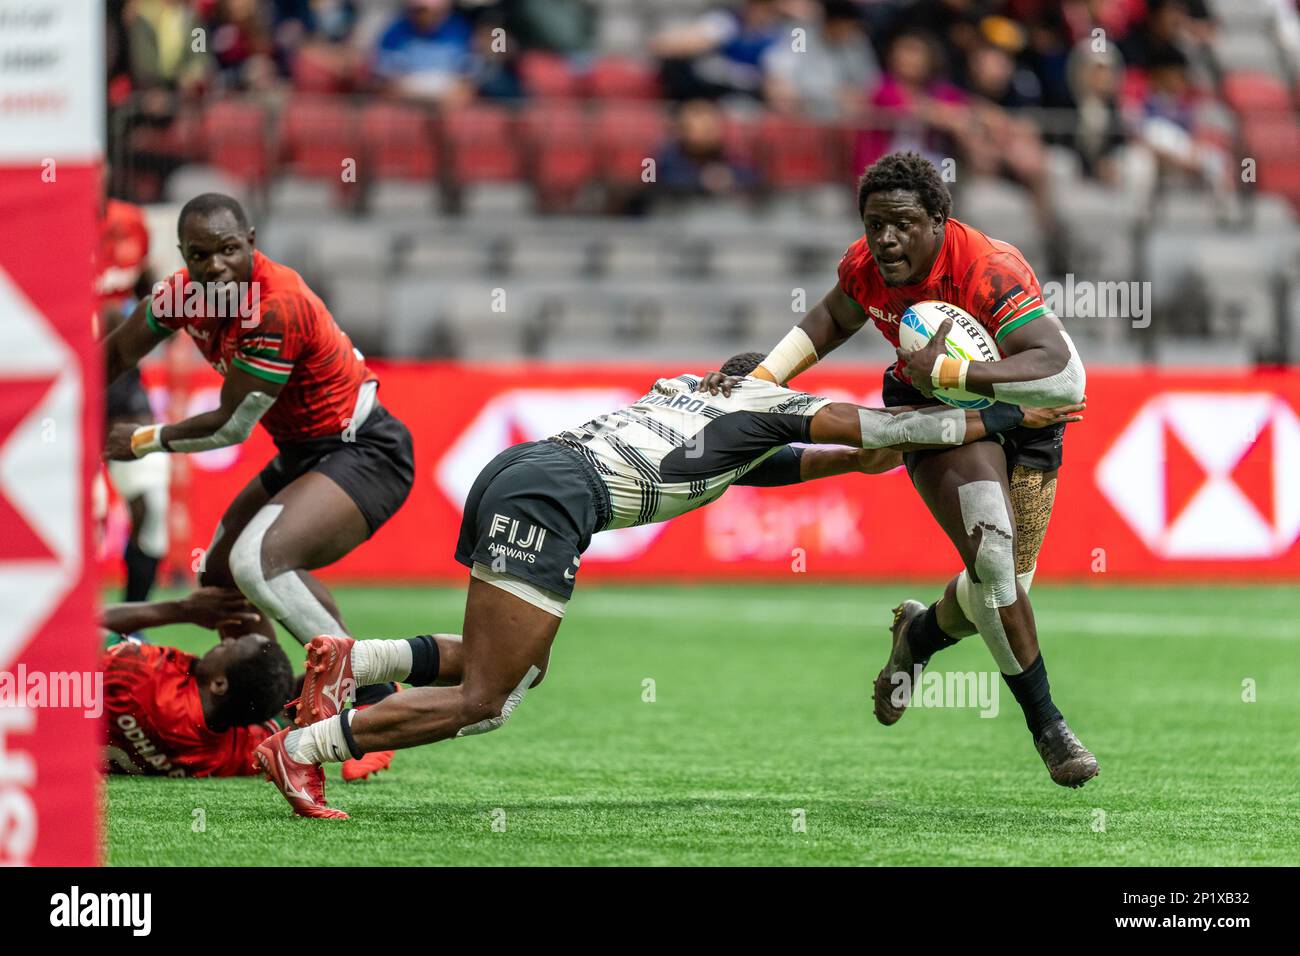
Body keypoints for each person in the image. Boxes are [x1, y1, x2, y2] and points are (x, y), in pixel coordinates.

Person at [252, 354, 1082, 818]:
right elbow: (878, 430)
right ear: (770, 386)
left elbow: (838, 457)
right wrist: (1008, 415)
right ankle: (302, 751)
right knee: (488, 700)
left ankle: (347, 660)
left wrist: (883, 451)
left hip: (523, 470)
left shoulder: (698, 399)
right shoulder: (767, 407)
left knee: (508, 664)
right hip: (555, 496)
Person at [700, 151, 1097, 788]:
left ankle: (918, 636)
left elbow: (1064, 374)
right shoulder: (868, 266)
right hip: (932, 411)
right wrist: (763, 380)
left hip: (1028, 418)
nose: (885, 239)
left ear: (940, 220)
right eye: (873, 224)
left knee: (999, 591)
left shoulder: (987, 268)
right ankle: (1048, 726)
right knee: (993, 558)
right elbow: (832, 317)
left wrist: (960, 372)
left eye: (903, 224)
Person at [101, 192, 417, 778]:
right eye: (200, 254)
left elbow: (232, 424)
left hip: (365, 449)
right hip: (305, 451)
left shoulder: (277, 304)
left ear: (250, 241)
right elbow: (117, 352)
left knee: (259, 563)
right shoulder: (178, 293)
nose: (216, 264)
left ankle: (373, 700)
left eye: (228, 249)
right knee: (221, 575)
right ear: (183, 256)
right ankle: (269, 706)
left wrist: (141, 439)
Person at [102, 587, 293, 777]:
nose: (226, 641)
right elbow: (284, 713)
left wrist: (183, 610)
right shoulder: (236, 755)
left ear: (219, 684)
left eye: (232, 645)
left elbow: (78, 625)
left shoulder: (143, 676)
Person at [96, 193, 168, 602]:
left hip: (122, 385)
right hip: (64, 386)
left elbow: (148, 287)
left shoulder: (130, 223)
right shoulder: (48, 222)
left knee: (151, 506)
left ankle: (130, 630)